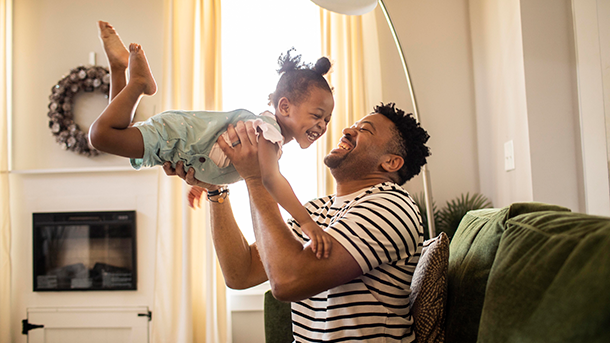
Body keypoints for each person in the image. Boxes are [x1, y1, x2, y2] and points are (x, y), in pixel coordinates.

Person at [165, 102, 431, 342]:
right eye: (354, 125)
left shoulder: (390, 206)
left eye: (366, 130)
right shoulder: (317, 210)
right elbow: (240, 274)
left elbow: (287, 281)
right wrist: (216, 189)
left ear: (391, 162)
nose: (348, 130)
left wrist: (257, 177)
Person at [89, 21, 335, 257]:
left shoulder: (264, 130)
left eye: (327, 119)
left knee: (119, 130)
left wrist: (203, 181)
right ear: (285, 106)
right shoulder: (268, 134)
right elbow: (271, 180)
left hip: (178, 143)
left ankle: (118, 67)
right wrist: (307, 223)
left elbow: (217, 148)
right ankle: (139, 82)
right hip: (176, 138)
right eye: (317, 115)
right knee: (101, 135)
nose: (322, 125)